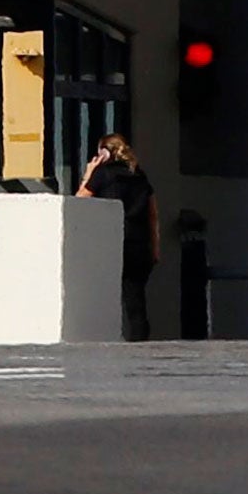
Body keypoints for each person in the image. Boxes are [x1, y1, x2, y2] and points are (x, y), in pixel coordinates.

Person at [76, 133, 159, 340]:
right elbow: (153, 215)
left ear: (104, 153)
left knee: (101, 296)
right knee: (136, 302)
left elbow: (79, 201)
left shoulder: (102, 175)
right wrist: (155, 249)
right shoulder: (140, 176)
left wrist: (88, 173)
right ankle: (139, 346)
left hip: (111, 244)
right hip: (139, 245)